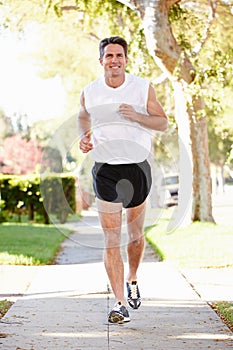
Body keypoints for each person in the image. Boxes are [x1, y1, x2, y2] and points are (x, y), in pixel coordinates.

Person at [78, 36, 167, 324]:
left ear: (126, 59)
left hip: (137, 168)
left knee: (135, 236)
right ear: (101, 60)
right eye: (109, 55)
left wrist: (138, 117)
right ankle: (118, 304)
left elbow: (162, 122)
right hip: (105, 167)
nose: (114, 60)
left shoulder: (142, 87)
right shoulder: (89, 91)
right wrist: (84, 136)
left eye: (119, 55)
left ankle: (132, 277)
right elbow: (83, 116)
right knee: (111, 238)